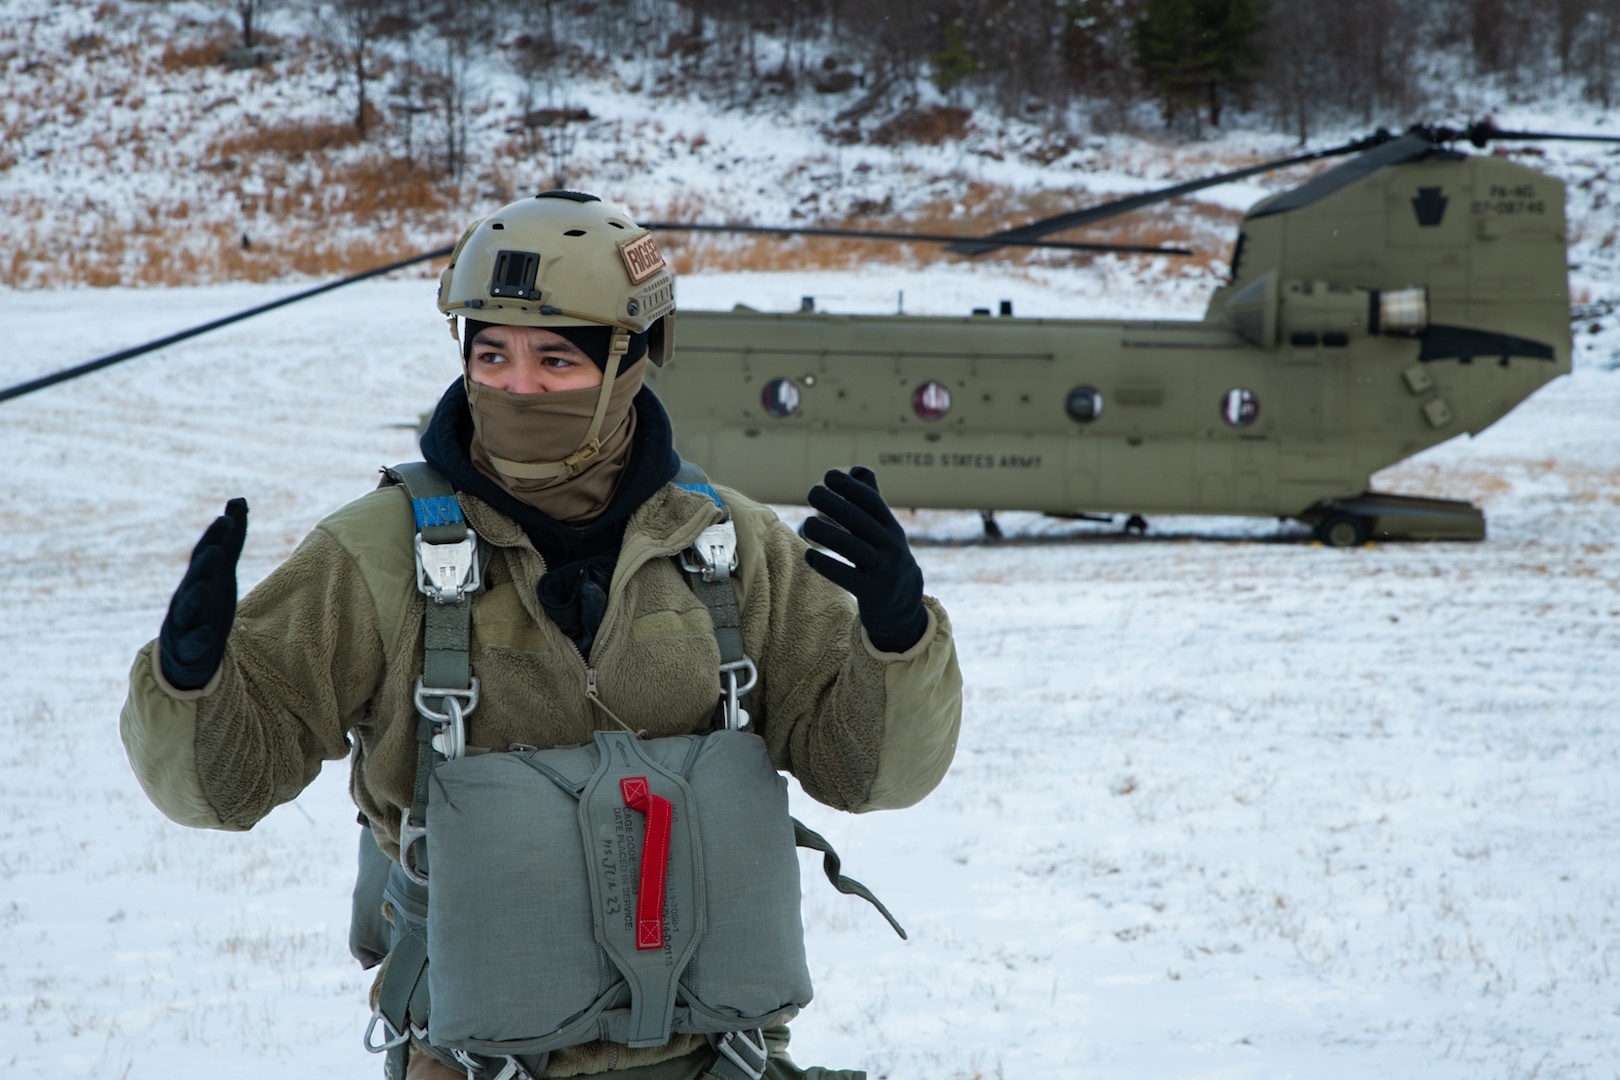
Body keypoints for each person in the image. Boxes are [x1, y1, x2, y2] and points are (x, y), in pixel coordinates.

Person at [119, 191, 962, 1080]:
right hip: (475, 1060)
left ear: (630, 361)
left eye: (556, 359)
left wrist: (897, 642)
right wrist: (190, 682)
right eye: (492, 354)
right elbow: (221, 791)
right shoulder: (373, 553)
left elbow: (869, 775)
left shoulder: (732, 548)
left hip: (718, 1057)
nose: (517, 388)